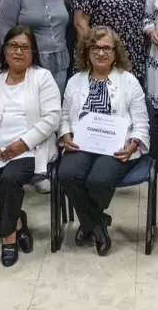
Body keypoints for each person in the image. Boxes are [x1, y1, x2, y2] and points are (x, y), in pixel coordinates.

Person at [0, 26, 60, 266]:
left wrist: (24, 143)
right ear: (4, 50)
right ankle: (16, 223)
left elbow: (52, 117)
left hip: (29, 148)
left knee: (9, 179)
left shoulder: (42, 78)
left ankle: (9, 240)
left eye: (25, 47)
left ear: (33, 52)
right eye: (12, 46)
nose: (18, 51)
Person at [59, 27, 150, 255]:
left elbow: (141, 121)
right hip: (82, 144)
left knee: (98, 180)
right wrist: (65, 135)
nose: (101, 53)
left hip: (117, 146)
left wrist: (133, 144)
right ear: (87, 51)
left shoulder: (129, 81)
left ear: (115, 51)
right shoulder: (75, 81)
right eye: (96, 48)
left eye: (107, 48)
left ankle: (89, 223)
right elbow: (64, 117)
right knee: (67, 174)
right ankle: (97, 223)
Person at [0, 0, 71, 94]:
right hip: (28, 66)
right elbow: (5, 37)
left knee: (55, 110)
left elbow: (68, 18)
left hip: (60, 65)